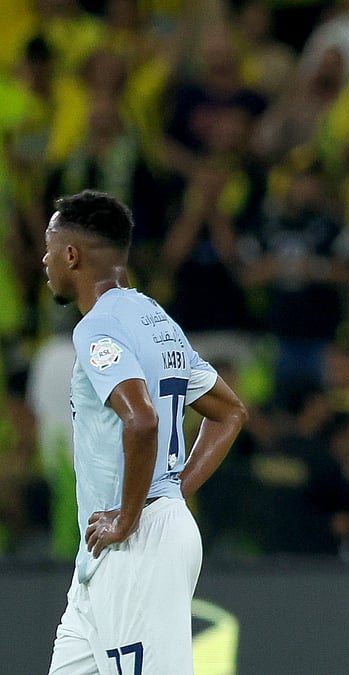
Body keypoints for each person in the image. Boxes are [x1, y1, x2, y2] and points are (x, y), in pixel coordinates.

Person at [43, 190, 247, 675]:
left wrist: (131, 515)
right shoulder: (157, 321)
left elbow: (142, 418)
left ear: (71, 255)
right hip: (108, 547)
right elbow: (228, 412)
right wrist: (173, 493)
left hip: (135, 541)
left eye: (49, 249)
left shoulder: (97, 328)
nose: (44, 261)